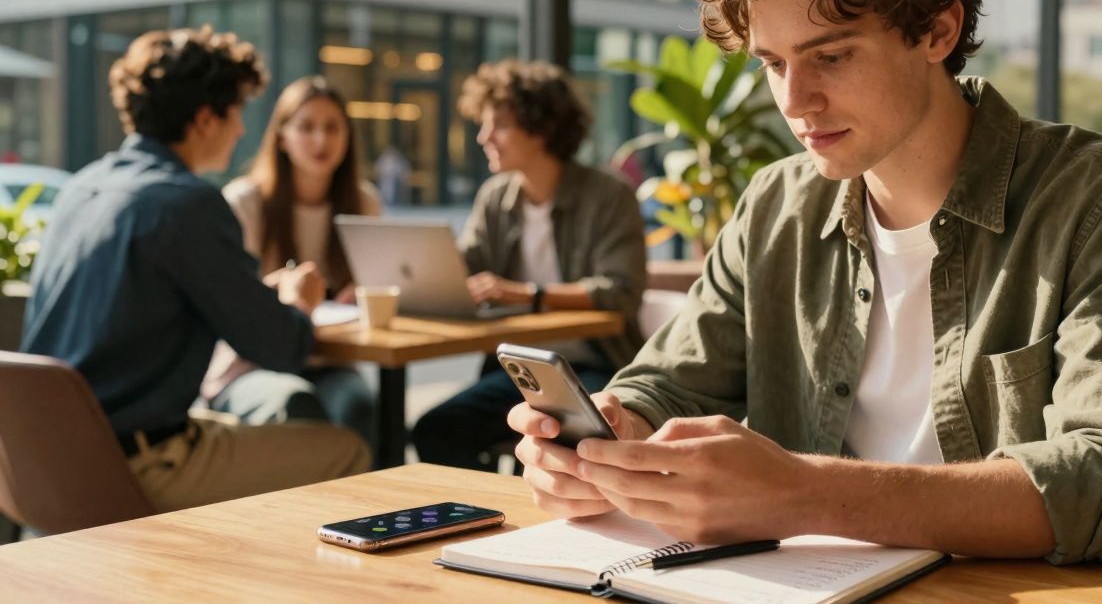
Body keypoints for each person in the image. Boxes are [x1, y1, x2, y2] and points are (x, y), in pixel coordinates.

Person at [508, 0, 1102, 565]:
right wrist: (611, 435)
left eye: (830, 56)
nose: (795, 101)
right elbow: (669, 382)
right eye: (772, 64)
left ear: (936, 29)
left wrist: (806, 494)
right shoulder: (775, 205)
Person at [21, 27, 369, 512]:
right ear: (206, 119)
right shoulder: (188, 205)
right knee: (348, 450)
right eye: (237, 113)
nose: (244, 131)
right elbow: (283, 346)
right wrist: (296, 301)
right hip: (135, 463)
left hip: (36, 465)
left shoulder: (83, 189)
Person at [411, 59, 647, 471]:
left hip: (592, 365)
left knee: (556, 440)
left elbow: (620, 291)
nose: (484, 137)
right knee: (437, 429)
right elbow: (466, 267)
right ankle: (480, 519)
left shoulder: (608, 195)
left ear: (542, 127)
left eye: (499, 124)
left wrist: (524, 294)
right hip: (521, 369)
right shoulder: (496, 197)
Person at [202, 75, 380, 453]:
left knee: (361, 406)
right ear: (281, 136)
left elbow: (377, 289)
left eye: (332, 128)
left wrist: (361, 299)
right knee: (298, 405)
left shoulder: (363, 202)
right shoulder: (244, 202)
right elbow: (229, 306)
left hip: (332, 362)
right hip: (249, 367)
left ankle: (377, 513)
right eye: (306, 127)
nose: (321, 140)